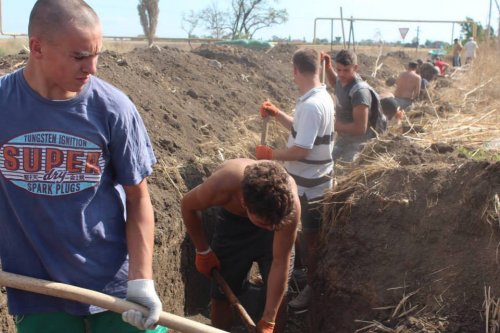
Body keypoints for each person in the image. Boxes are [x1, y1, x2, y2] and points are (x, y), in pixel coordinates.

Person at [0, 1, 165, 332]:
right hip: (37, 292)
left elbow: (138, 197)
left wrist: (142, 281)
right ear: (37, 47)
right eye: (79, 56)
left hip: (114, 290)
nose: (92, 68)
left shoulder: (113, 108)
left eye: (96, 54)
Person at [254, 48, 335, 311]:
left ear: (295, 70)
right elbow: (302, 133)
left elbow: (302, 150)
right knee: (302, 233)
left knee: (311, 238)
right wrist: (277, 115)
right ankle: (302, 273)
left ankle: (312, 286)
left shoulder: (312, 105)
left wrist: (271, 154)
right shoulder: (315, 97)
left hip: (312, 185)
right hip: (307, 180)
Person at [181, 159, 300, 333]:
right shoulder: (222, 185)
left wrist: (269, 320)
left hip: (277, 227)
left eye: (273, 226)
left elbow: (280, 261)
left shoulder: (288, 209)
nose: (270, 229)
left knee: (279, 298)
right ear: (244, 203)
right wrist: (203, 250)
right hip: (233, 227)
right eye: (264, 224)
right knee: (221, 295)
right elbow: (187, 205)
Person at [322, 49, 387, 163]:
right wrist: (328, 67)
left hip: (362, 141)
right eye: (338, 70)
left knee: (348, 167)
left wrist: (333, 125)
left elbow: (360, 129)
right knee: (326, 161)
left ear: (355, 68)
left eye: (346, 70)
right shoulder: (343, 80)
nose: (341, 74)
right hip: (346, 137)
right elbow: (335, 83)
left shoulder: (359, 92)